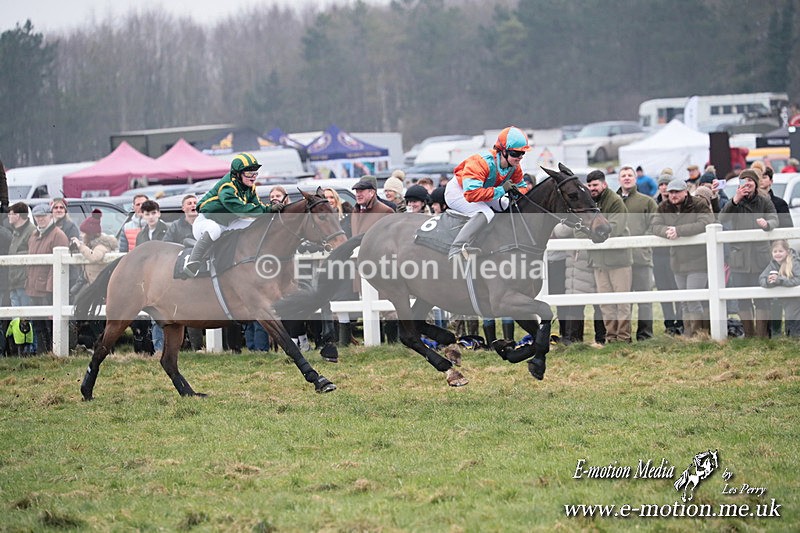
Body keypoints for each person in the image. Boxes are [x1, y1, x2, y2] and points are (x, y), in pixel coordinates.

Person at [185, 153, 284, 277]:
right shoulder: (227, 189)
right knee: (214, 230)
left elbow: (257, 206)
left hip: (229, 222)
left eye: (255, 173)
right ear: (237, 174)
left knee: (255, 225)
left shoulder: (249, 187)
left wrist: (270, 210)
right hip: (206, 222)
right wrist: (269, 209)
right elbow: (242, 210)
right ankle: (193, 261)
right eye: (249, 173)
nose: (253, 177)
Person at [445, 126, 532, 259]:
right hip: (459, 192)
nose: (519, 157)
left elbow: (522, 187)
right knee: (486, 212)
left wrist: (516, 192)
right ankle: (457, 247)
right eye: (515, 153)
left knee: (505, 204)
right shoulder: (481, 163)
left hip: (483, 191)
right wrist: (502, 189)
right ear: (503, 151)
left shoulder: (515, 167)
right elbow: (472, 194)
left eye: (522, 154)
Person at [651, 179, 715, 337]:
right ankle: (689, 334)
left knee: (693, 298)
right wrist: (667, 231)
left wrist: (679, 230)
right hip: (678, 261)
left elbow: (706, 222)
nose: (673, 195)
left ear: (685, 192)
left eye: (677, 192)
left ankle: (700, 333)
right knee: (684, 300)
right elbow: (654, 226)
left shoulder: (699, 204)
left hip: (698, 259)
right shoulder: (664, 207)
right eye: (671, 192)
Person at [719, 169, 778, 338]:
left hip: (760, 258)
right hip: (739, 258)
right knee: (742, 299)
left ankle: (761, 336)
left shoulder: (764, 200)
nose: (747, 184)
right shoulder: (735, 202)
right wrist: (734, 200)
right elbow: (721, 219)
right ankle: (749, 335)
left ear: (755, 183)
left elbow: (775, 218)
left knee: (762, 298)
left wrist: (767, 224)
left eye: (750, 181)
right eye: (743, 181)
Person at [586, 170, 632, 344]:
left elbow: (615, 228)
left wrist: (592, 232)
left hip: (618, 260)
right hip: (599, 261)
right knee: (605, 303)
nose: (592, 188)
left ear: (604, 184)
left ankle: (624, 337)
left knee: (622, 302)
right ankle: (611, 337)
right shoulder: (589, 203)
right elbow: (579, 229)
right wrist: (593, 232)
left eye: (595, 185)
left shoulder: (615, 201)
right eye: (589, 185)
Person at [616, 165, 658, 341]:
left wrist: (642, 244)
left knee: (645, 299)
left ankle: (645, 335)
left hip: (641, 258)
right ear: (619, 179)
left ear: (635, 178)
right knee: (623, 301)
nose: (627, 178)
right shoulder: (613, 201)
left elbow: (654, 225)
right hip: (619, 260)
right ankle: (623, 335)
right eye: (623, 175)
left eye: (630, 175)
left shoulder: (647, 201)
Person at [26, 203, 69, 353]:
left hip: (47, 289)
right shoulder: (34, 235)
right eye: (37, 217)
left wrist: (51, 289)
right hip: (34, 287)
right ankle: (43, 353)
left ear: (50, 216)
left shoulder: (58, 235)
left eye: (43, 216)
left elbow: (57, 267)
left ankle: (53, 352)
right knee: (38, 324)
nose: (40, 220)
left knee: (50, 324)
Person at [759, 240, 800, 337]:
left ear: (787, 251)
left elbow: (798, 279)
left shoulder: (794, 262)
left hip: (794, 298)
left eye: (780, 251)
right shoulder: (772, 264)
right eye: (775, 251)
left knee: (792, 319)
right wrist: (769, 282)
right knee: (775, 311)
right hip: (780, 298)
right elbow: (761, 279)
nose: (778, 254)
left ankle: (794, 338)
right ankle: (776, 337)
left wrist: (781, 280)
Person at [7, 202, 35, 309]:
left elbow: (33, 252)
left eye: (10, 214)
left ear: (17, 215)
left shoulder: (32, 231)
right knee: (17, 317)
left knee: (25, 316)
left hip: (24, 282)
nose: (8, 216)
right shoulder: (16, 232)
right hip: (14, 281)